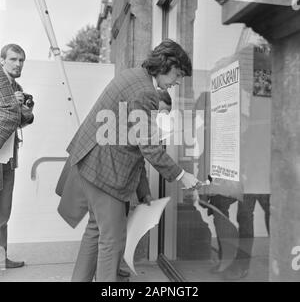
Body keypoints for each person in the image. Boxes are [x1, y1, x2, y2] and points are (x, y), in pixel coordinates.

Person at [56, 39, 200, 282]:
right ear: (165, 66)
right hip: (104, 170)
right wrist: (180, 175)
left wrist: (143, 190)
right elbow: (148, 147)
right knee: (112, 241)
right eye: (178, 74)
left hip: (92, 163)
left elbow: (132, 142)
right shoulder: (145, 92)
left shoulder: (135, 76)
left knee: (95, 231)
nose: (177, 81)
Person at [0, 44, 34, 269]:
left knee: (4, 212)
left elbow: (24, 119)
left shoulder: (17, 87)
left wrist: (24, 106)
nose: (18, 64)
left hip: (8, 158)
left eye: (21, 60)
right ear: (2, 60)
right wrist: (16, 103)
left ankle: (1, 259)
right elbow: (8, 113)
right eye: (13, 59)